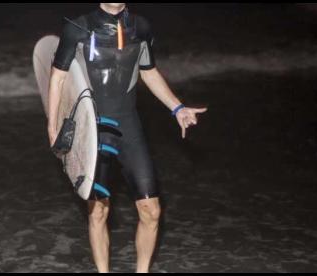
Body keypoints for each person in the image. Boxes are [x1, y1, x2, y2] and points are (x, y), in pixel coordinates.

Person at [47, 3, 207, 273]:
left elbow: (148, 71)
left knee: (151, 211)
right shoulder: (77, 29)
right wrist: (53, 127)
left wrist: (177, 107)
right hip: (93, 129)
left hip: (129, 124)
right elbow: (58, 78)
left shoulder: (140, 27)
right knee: (98, 212)